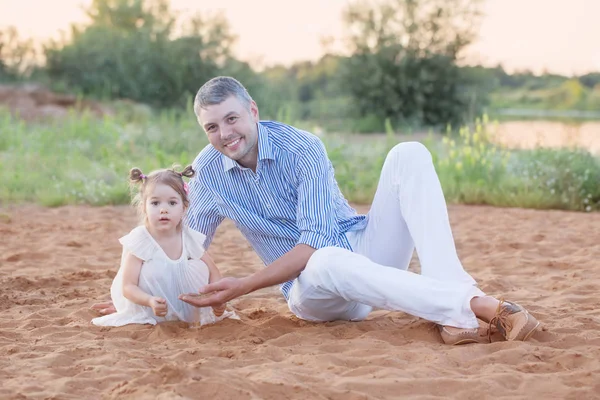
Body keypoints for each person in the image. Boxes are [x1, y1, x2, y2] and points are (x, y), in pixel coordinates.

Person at [91, 165, 236, 327]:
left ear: (184, 208)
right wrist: (149, 300)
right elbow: (128, 286)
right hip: (154, 313)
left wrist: (216, 298)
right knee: (153, 269)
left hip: (190, 315)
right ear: (143, 207)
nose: (163, 210)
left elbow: (213, 271)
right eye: (155, 203)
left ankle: (195, 312)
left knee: (199, 265)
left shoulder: (188, 237)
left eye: (172, 203)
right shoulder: (142, 240)